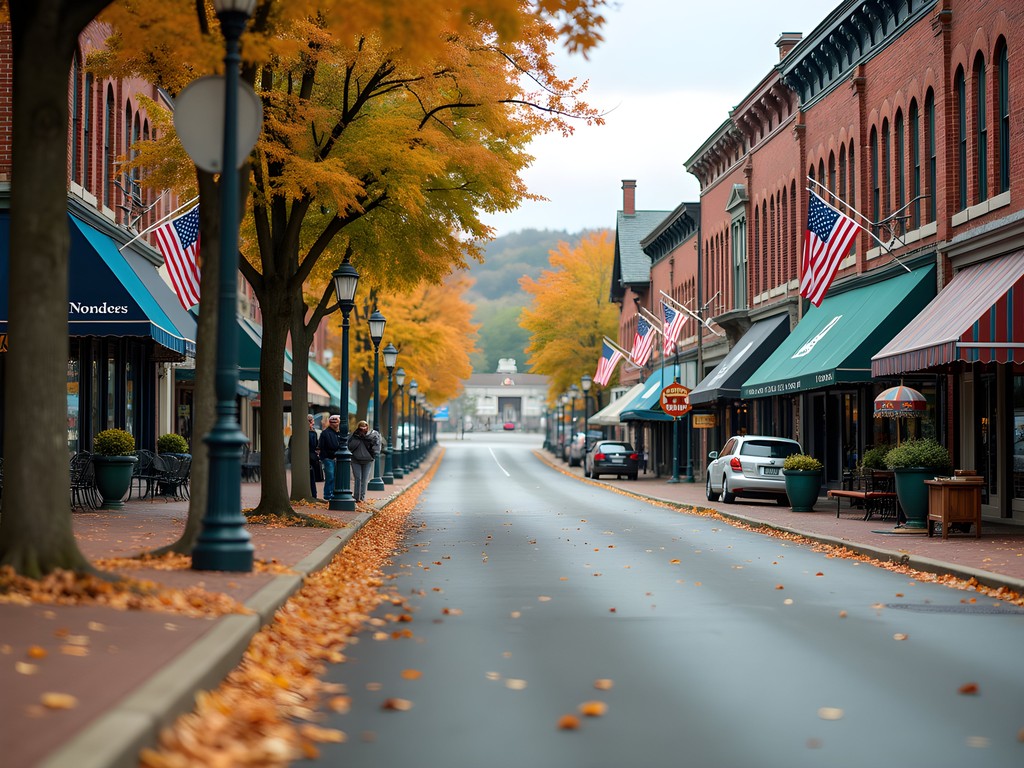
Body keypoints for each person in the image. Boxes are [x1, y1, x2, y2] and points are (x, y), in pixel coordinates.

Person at [348, 420, 381, 503]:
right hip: (355, 459)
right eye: (361, 426)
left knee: (364, 479)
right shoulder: (354, 436)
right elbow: (350, 446)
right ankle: (356, 497)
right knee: (358, 478)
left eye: (365, 426)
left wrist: (373, 455)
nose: (363, 428)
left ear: (367, 427)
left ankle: (362, 497)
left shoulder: (372, 436)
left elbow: (376, 447)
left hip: (367, 460)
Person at [317, 414, 343, 501]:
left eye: (336, 422)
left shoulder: (340, 434)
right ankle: (328, 495)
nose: (334, 424)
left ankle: (333, 493)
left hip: (337, 458)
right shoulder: (325, 433)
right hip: (328, 458)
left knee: (336, 477)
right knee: (330, 477)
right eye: (332, 422)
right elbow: (322, 446)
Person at [307, 415, 324, 499]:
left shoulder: (313, 432)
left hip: (311, 457)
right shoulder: (312, 433)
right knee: (311, 477)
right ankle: (313, 494)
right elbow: (314, 445)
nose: (313, 423)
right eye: (312, 422)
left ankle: (313, 494)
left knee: (312, 476)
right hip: (311, 457)